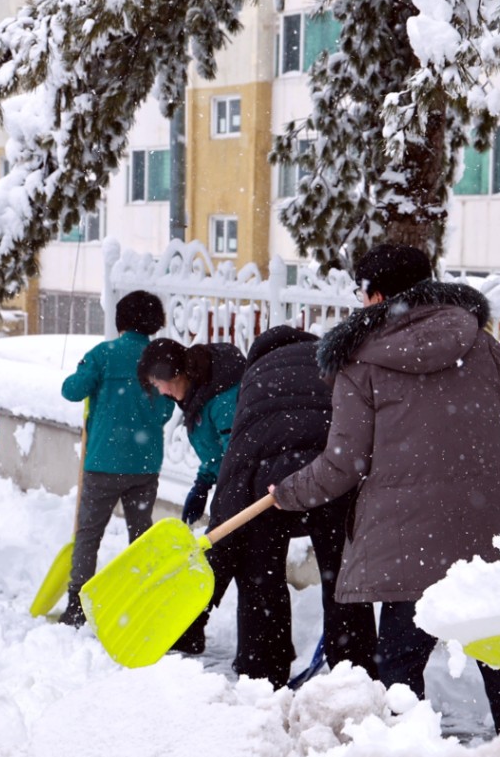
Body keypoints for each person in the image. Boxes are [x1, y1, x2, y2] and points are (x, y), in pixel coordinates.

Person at [272, 243, 500, 734]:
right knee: (499, 651)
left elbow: (343, 463)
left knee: (399, 666)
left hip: (411, 544)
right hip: (483, 534)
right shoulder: (479, 343)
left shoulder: (361, 361)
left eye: (361, 290)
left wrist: (287, 492)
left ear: (377, 295)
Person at [207, 325, 378, 687]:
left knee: (259, 575)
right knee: (342, 576)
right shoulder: (330, 363)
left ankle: (261, 673)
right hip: (330, 475)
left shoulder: (254, 378)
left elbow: (238, 461)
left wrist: (217, 556)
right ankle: (355, 672)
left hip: (266, 484)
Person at [58, 290, 176, 626]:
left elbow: (71, 390)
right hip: (144, 465)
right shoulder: (156, 359)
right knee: (141, 535)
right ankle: (140, 596)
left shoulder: (103, 354)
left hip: (103, 464)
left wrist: (83, 374)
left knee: (89, 533)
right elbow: (165, 411)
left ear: (120, 320)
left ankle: (77, 602)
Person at [138, 335, 247, 656]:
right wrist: (203, 483)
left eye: (161, 383)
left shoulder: (222, 397)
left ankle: (190, 627)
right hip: (236, 485)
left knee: (220, 555)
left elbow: (236, 454)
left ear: (178, 374)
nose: (161, 391)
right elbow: (218, 455)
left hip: (248, 487)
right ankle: (191, 628)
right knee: (222, 558)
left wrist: (223, 495)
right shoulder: (199, 393)